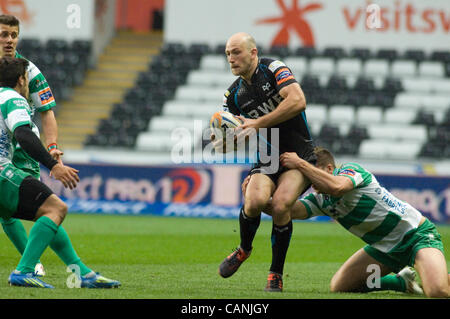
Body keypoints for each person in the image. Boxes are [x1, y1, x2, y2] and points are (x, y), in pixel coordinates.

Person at [242, 146, 449, 298]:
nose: (311, 185)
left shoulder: (350, 170)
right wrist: (255, 198)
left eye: (312, 176)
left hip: (416, 236)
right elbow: (285, 209)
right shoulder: (321, 199)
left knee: (437, 291)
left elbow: (338, 188)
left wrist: (300, 163)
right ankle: (401, 282)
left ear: (330, 168)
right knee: (340, 286)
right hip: (385, 249)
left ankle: (435, 276)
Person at [0, 56, 121, 289]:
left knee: (44, 212)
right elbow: (24, 135)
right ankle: (24, 271)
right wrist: (53, 164)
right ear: (21, 80)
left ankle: (82, 273)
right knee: (55, 208)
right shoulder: (14, 99)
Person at [215, 32, 316, 292]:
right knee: (255, 201)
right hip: (267, 157)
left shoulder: (274, 69)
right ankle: (243, 249)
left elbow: (298, 100)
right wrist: (225, 142)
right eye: (227, 53)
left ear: (253, 52)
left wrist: (257, 123)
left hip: (298, 153)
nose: (231, 58)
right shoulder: (233, 95)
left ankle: (275, 274)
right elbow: (230, 136)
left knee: (281, 204)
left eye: (236, 52)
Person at [0, 14, 63, 276]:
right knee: (9, 208)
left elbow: (47, 111)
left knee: (39, 206)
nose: (9, 40)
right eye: (4, 34)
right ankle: (33, 265)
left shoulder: (28, 70)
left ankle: (32, 263)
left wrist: (52, 147)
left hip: (19, 141)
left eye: (14, 35)